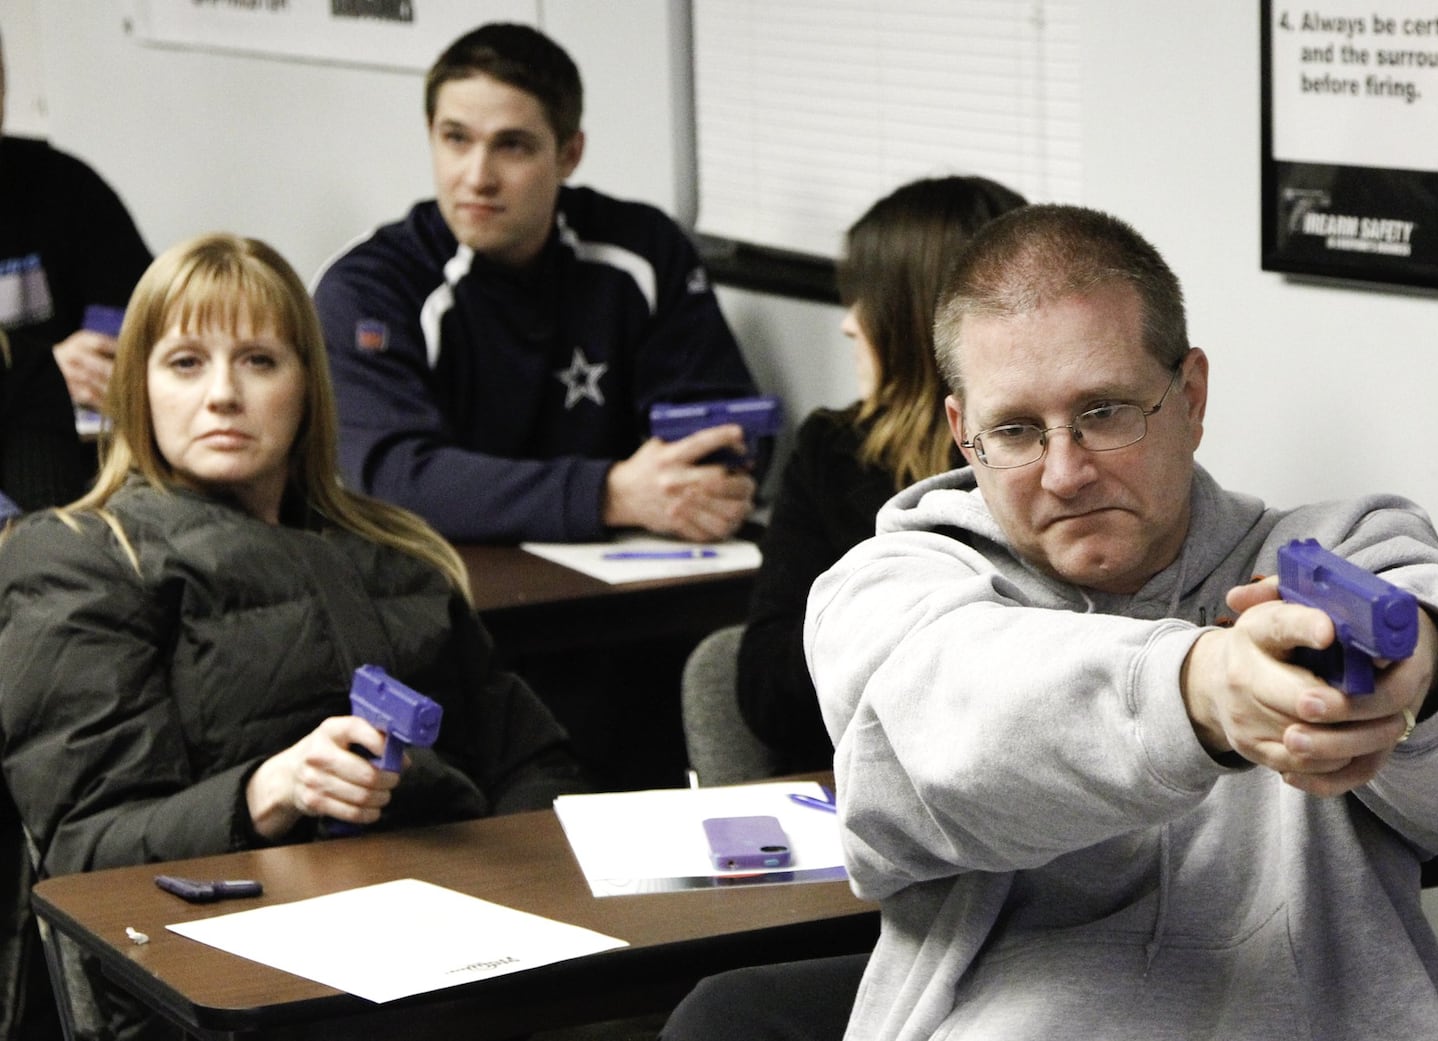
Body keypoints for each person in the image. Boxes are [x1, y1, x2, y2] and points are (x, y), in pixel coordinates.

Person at [663, 205, 1438, 1040]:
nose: (1065, 470)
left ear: (1189, 396)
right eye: (1016, 428)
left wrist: (1425, 667)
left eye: (1105, 411)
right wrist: (1202, 691)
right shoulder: (889, 588)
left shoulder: (1334, 550)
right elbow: (963, 731)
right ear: (962, 433)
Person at [0, 233, 585, 1041]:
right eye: (185, 364)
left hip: (457, 941)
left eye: (259, 361)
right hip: (234, 976)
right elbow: (87, 853)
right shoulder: (80, 556)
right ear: (138, 387)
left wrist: (522, 895)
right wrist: (264, 792)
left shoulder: (397, 551)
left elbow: (531, 761)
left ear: (308, 386)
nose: (223, 395)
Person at [313, 22, 760, 544]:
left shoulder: (643, 249)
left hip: (620, 573)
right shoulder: (369, 286)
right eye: (455, 139)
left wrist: (711, 479)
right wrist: (609, 493)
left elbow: (723, 426)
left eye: (513, 146)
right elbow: (391, 479)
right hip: (434, 586)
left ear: (569, 154)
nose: (477, 176)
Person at [733, 176, 1024, 772]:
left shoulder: (1037, 467)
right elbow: (766, 691)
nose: (848, 324)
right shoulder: (833, 453)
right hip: (858, 787)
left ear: (910, 317)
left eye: (864, 298)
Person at [0, 29, 153, 508]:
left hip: (69, 446)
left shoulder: (62, 184)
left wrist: (99, 353)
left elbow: (136, 308)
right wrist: (35, 367)